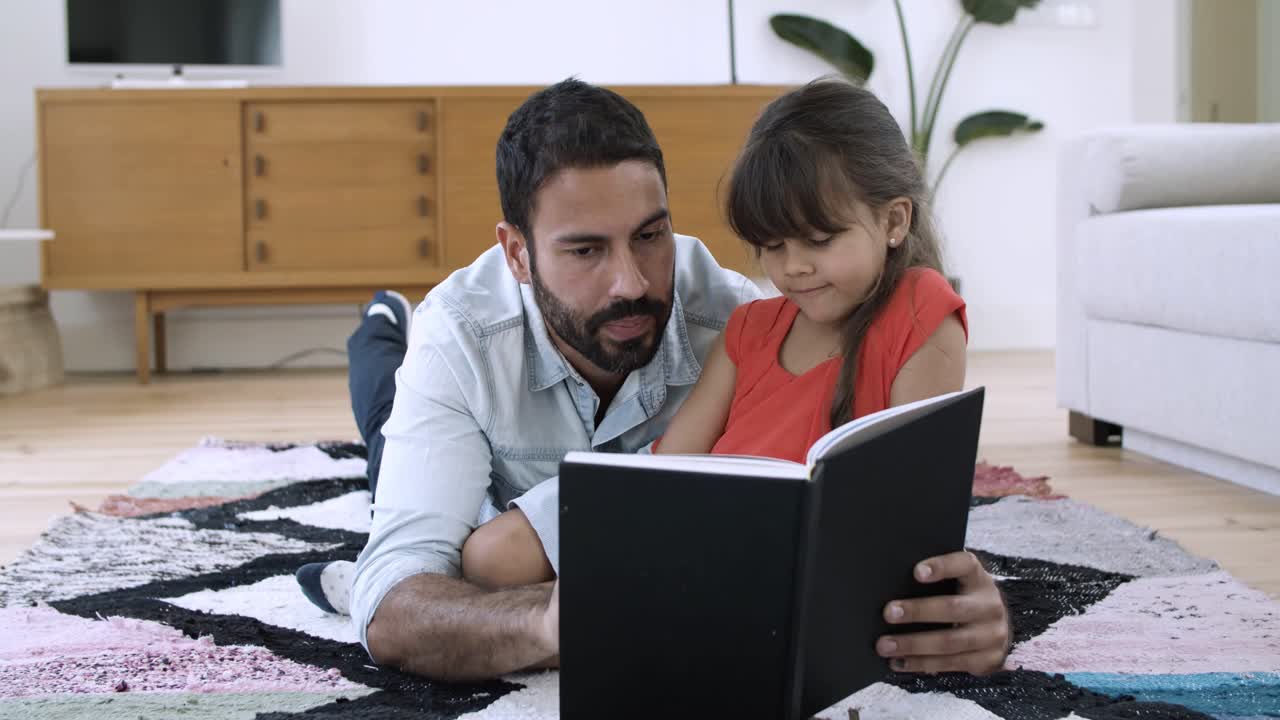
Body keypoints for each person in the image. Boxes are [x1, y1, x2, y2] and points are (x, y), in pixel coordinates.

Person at [460, 79, 1011, 677]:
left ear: (894, 220)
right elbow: (669, 469)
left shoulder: (921, 310)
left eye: (819, 240)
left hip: (808, 565)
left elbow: (910, 515)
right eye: (772, 245)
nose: (793, 268)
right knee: (489, 555)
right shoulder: (749, 328)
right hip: (707, 540)